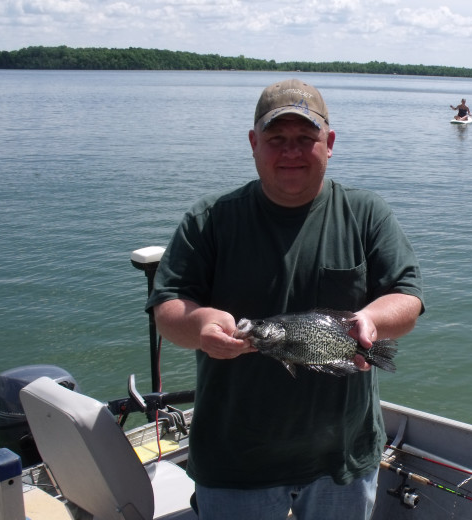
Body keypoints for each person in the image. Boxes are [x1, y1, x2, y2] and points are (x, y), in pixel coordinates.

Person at [146, 78, 424, 520]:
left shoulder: (366, 213)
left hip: (342, 461)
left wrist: (370, 319)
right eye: (276, 139)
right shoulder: (210, 220)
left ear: (328, 143)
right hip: (234, 462)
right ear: (254, 144)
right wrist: (198, 325)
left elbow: (406, 298)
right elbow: (167, 309)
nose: (290, 152)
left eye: (304, 139)